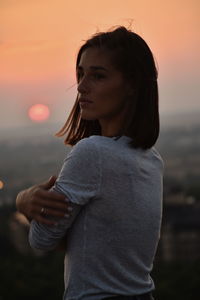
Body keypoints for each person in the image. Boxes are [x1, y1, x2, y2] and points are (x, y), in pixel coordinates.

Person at [16, 26, 164, 300]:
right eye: (81, 74)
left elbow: (42, 240)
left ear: (132, 85)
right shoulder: (151, 159)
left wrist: (23, 201)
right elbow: (99, 244)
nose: (81, 87)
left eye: (98, 76)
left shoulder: (92, 152)